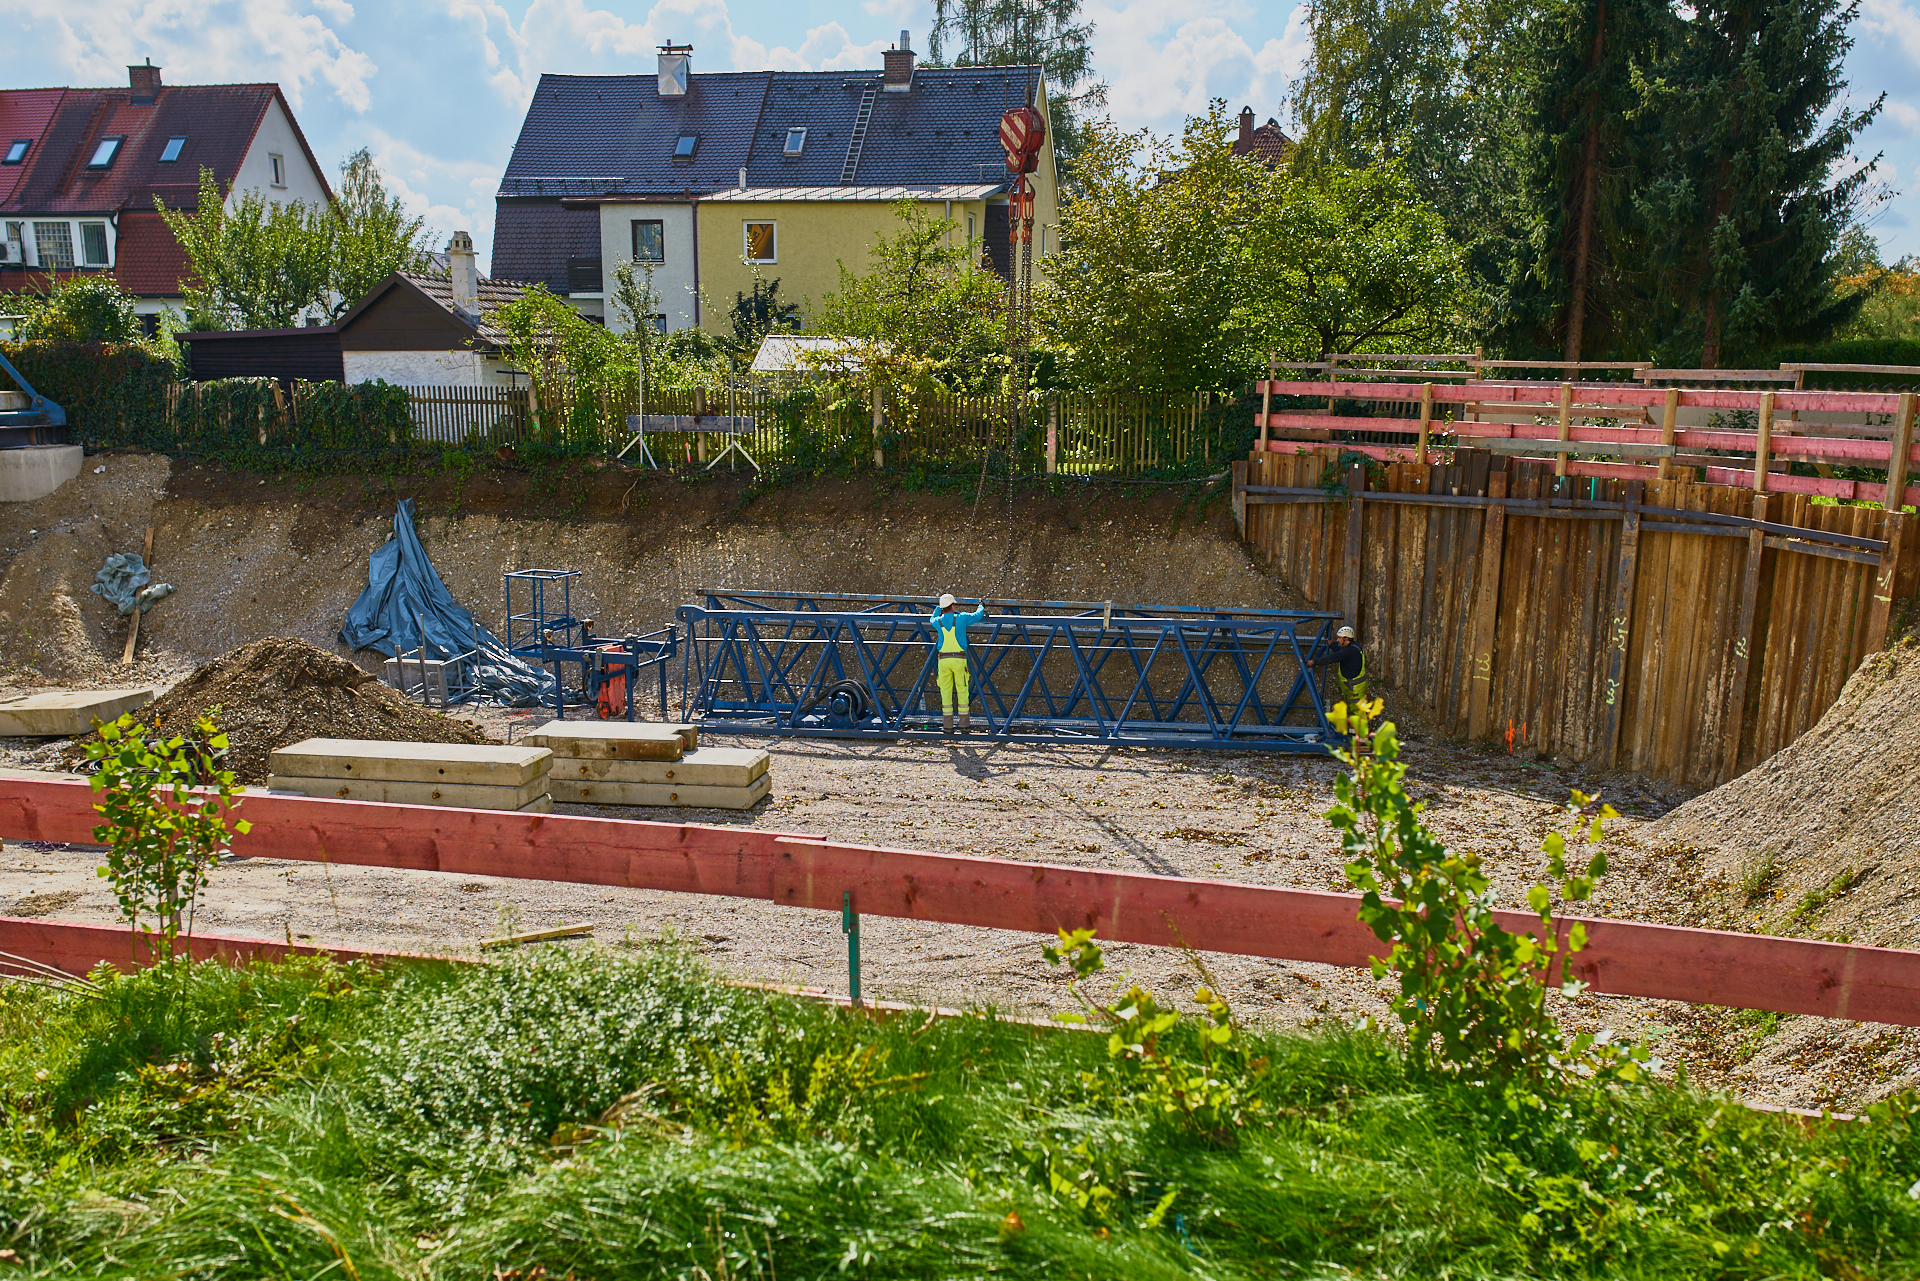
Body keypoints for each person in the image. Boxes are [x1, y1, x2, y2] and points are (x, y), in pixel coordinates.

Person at [929, 592, 988, 734]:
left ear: (943, 607)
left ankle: (948, 727)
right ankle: (964, 726)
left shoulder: (939, 621)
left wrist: (938, 608)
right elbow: (977, 615)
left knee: (945, 692)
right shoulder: (961, 618)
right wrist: (981, 606)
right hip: (959, 659)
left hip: (943, 660)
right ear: (953, 605)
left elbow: (931, 618)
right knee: (962, 691)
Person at [1309, 625, 1367, 705]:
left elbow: (1332, 658)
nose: (1337, 640)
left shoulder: (1350, 651)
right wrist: (1332, 645)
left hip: (1354, 687)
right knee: (1352, 707)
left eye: (1339, 638)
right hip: (1353, 684)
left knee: (1357, 710)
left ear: (1346, 639)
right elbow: (1340, 651)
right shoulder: (1354, 646)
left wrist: (1314, 662)